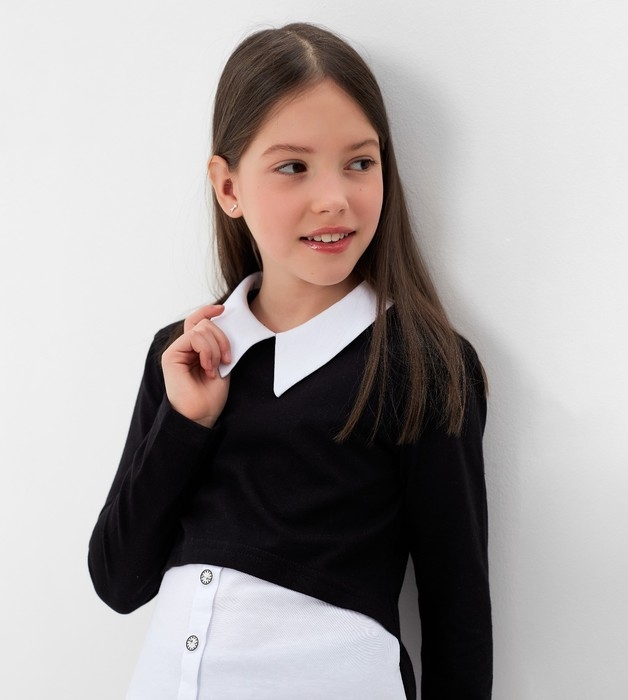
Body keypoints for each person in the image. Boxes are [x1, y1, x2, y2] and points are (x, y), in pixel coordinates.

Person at [88, 22, 492, 700]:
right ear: (228, 187)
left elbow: (459, 616)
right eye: (293, 167)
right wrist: (187, 423)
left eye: (359, 163)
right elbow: (118, 580)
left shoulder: (422, 365)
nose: (333, 198)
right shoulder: (185, 355)